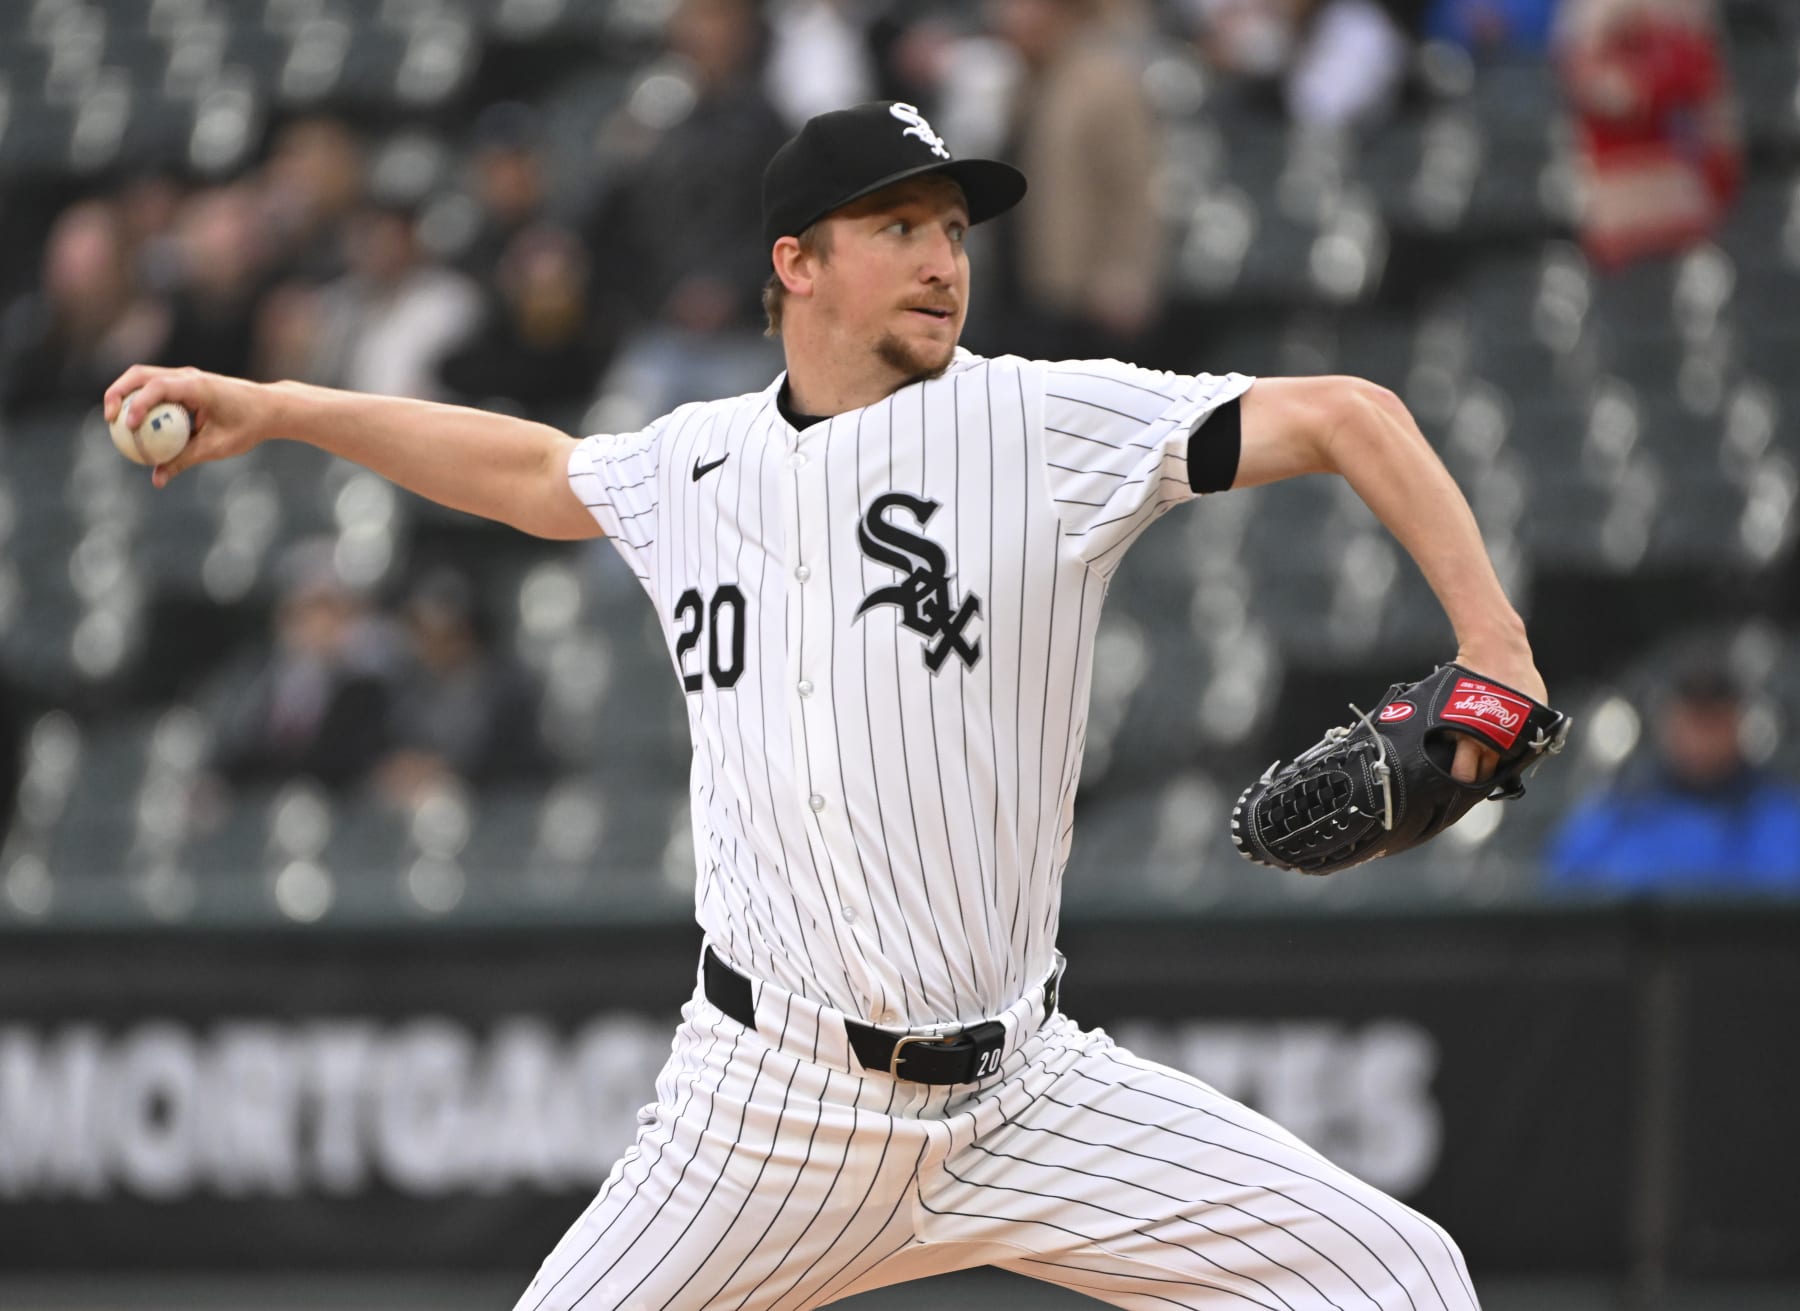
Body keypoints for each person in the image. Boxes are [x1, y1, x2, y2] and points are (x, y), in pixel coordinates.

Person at [107, 99, 1546, 1310]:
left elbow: (1353, 415)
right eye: (899, 227)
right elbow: (537, 473)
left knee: (1401, 1275)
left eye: (953, 230)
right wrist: (284, 406)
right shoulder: (695, 466)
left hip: (1024, 1094)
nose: (941, 259)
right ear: (797, 263)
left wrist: (1498, 652)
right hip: (763, 1105)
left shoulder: (1037, 422)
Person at [1547, 662, 1800, 894]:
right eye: (1692, 720)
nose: (1702, 739)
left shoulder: (1780, 817)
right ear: (1667, 723)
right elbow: (1560, 896)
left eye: (1714, 721)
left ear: (1737, 723)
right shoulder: (1616, 817)